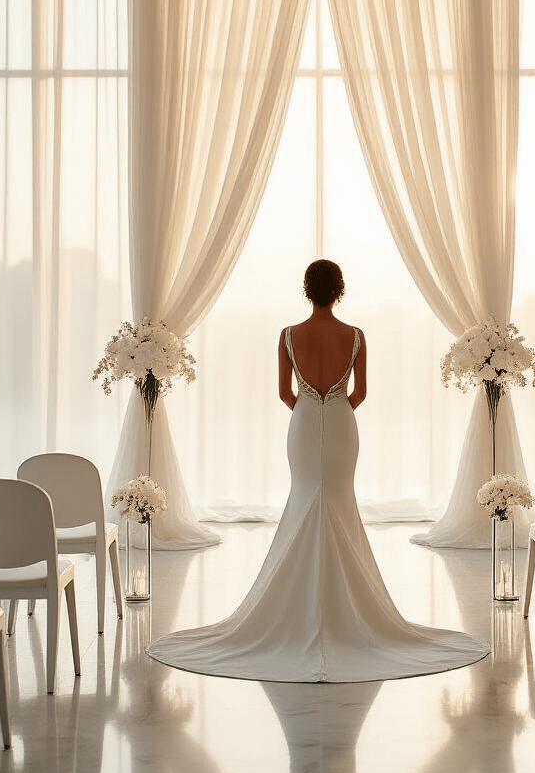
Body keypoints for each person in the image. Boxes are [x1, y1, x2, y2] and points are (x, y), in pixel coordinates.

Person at [148, 260, 489, 682]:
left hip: (303, 423)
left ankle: (300, 607)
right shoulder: (357, 336)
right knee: (340, 500)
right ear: (339, 290)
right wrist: (337, 409)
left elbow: (283, 392)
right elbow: (359, 391)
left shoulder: (289, 336)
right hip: (344, 423)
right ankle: (347, 611)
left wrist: (311, 409)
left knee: (307, 497)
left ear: (307, 289)